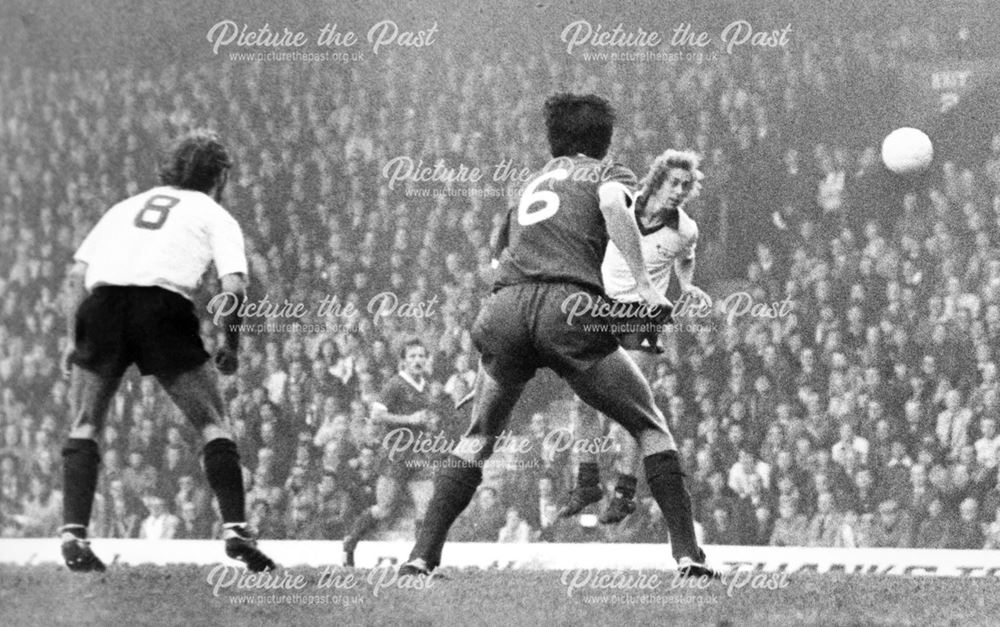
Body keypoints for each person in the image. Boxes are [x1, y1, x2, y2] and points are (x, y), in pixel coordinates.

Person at [400, 94, 718, 579]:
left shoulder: (527, 184)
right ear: (605, 141)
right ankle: (690, 559)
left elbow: (500, 259)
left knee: (480, 435)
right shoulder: (610, 175)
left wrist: (484, 363)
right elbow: (614, 206)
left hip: (503, 310)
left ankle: (420, 558)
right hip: (568, 308)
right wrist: (650, 287)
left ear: (554, 141)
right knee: (650, 425)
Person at [58, 130, 275, 572]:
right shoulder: (213, 213)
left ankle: (74, 534)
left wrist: (71, 337)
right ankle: (236, 529)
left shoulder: (124, 207)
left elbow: (75, 275)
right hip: (162, 305)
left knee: (86, 423)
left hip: (102, 305)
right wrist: (230, 344)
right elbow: (233, 285)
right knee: (213, 422)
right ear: (220, 177)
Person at [557, 149, 712, 524]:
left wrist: (687, 285)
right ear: (657, 180)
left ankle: (625, 493)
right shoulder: (620, 205)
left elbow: (686, 256)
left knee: (628, 405)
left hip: (641, 314)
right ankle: (587, 481)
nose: (678, 191)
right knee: (583, 402)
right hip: (600, 308)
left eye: (685, 186)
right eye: (673, 182)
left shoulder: (684, 229)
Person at [342, 339, 435, 566]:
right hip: (395, 454)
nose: (417, 360)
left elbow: (420, 417)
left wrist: (427, 425)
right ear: (403, 362)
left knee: (427, 508)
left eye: (421, 356)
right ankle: (350, 543)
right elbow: (376, 415)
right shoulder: (395, 384)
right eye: (412, 356)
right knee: (384, 509)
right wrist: (409, 420)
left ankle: (418, 561)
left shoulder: (425, 385)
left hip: (417, 454)